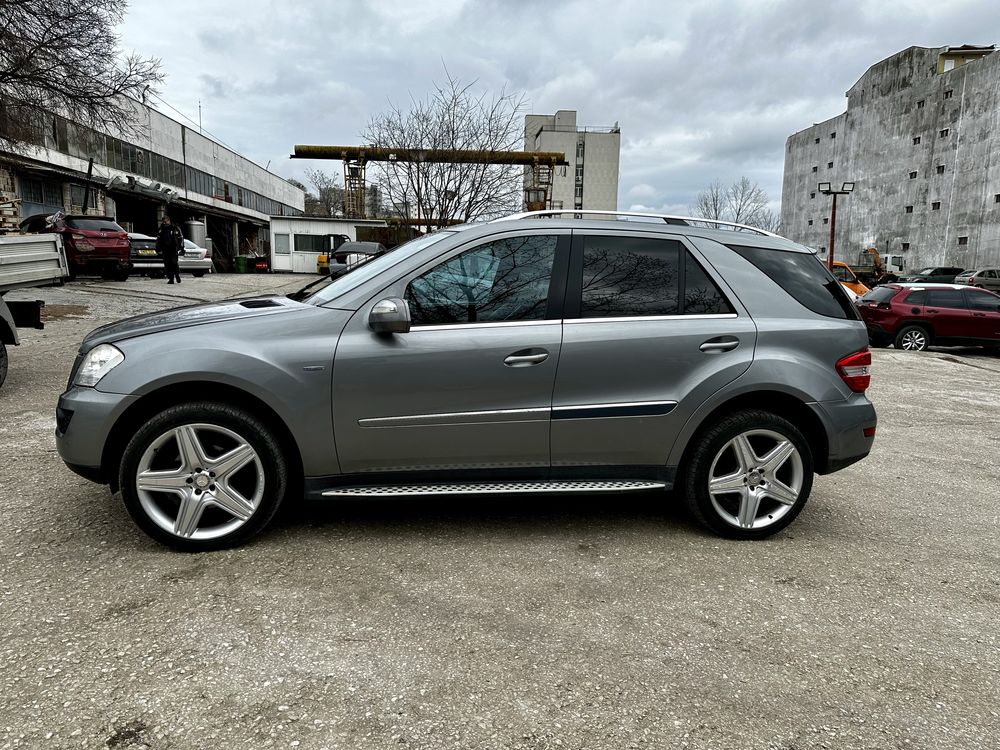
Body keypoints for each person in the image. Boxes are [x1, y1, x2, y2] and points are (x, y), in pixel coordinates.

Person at [157, 215, 182, 284]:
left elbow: (180, 238)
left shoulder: (175, 228)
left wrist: (180, 248)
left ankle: (177, 275)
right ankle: (171, 279)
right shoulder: (161, 229)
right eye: (163, 222)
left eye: (165, 221)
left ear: (169, 220)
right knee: (167, 264)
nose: (164, 223)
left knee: (174, 263)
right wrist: (158, 249)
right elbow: (158, 239)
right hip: (165, 249)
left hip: (173, 249)